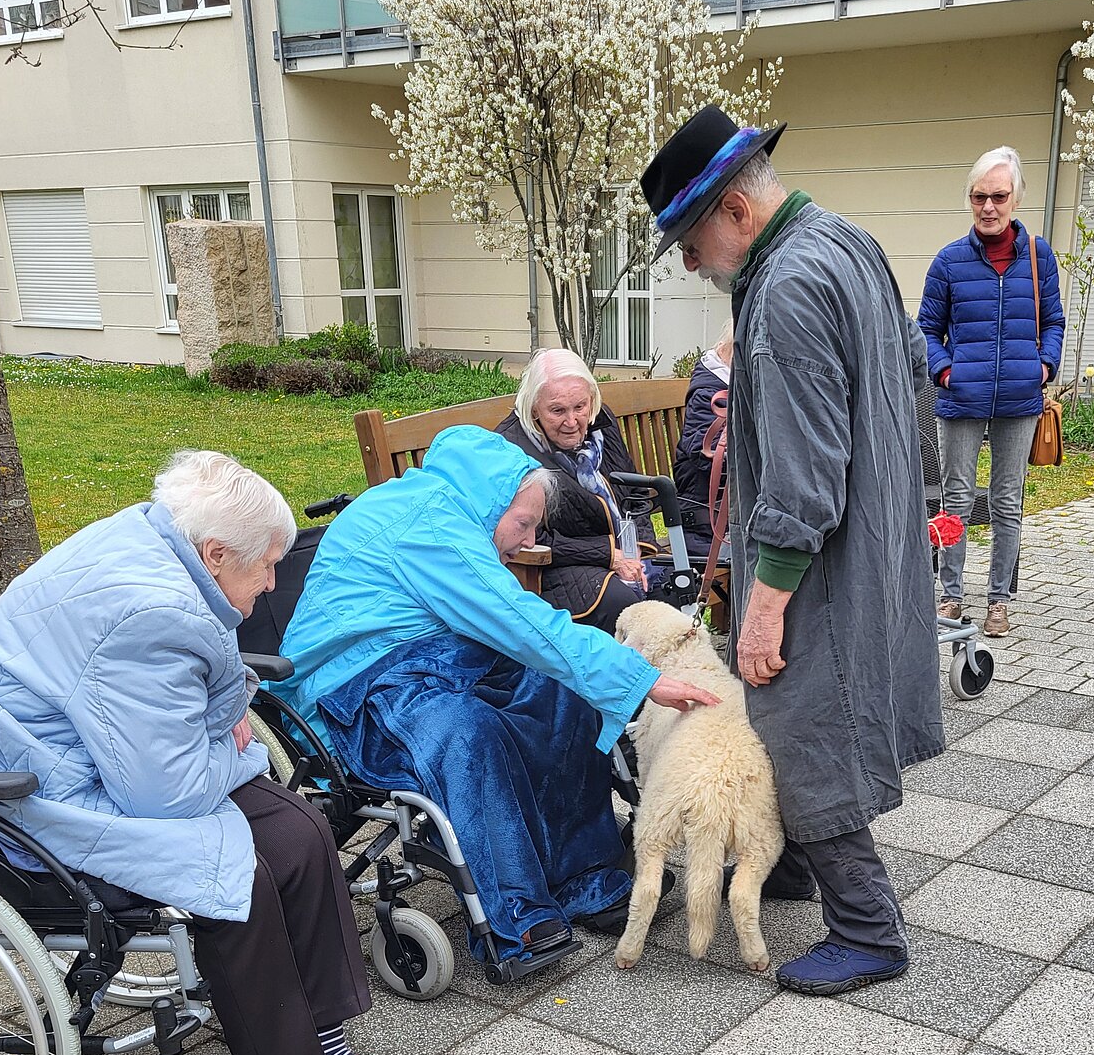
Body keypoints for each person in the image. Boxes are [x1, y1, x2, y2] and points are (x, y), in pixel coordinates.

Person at [0, 451, 418, 1055]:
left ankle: (327, 1047)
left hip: (90, 749)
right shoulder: (153, 613)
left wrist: (217, 717)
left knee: (298, 828)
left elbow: (169, 720)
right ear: (215, 553)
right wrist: (233, 737)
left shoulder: (162, 538)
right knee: (231, 871)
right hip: (32, 786)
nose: (274, 581)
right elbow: (170, 794)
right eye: (266, 566)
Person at [641, 106, 944, 997]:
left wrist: (765, 605)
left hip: (825, 552)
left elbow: (807, 479)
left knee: (801, 712)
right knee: (816, 710)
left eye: (688, 240)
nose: (688, 263)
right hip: (876, 529)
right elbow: (906, 371)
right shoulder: (843, 240)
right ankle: (794, 865)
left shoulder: (786, 289)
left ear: (736, 211)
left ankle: (867, 927)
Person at [272, 425, 716, 964]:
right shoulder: (427, 525)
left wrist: (609, 680)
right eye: (524, 523)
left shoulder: (449, 513)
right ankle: (517, 917)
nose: (528, 541)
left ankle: (585, 877)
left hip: (433, 660)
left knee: (562, 695)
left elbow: (520, 634)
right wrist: (641, 678)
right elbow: (520, 621)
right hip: (352, 694)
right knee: (468, 733)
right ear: (492, 501)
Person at [918, 145, 1065, 637]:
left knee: (1007, 501)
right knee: (955, 500)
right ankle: (952, 594)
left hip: (1020, 401)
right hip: (961, 401)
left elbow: (1055, 322)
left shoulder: (1039, 257)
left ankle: (999, 599)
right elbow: (925, 331)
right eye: (979, 196)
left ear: (1015, 198)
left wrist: (1043, 366)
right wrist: (945, 373)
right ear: (970, 199)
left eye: (998, 196)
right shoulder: (949, 261)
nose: (988, 207)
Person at [494, 348, 657, 632]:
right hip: (549, 566)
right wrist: (609, 555)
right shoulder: (513, 448)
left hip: (614, 552)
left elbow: (633, 493)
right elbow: (529, 536)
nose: (571, 422)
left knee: (668, 582)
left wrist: (638, 549)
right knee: (624, 603)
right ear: (534, 408)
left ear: (591, 401)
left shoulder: (600, 422)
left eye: (579, 407)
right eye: (557, 410)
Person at [673, 319, 733, 560]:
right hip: (705, 521)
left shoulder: (723, 383)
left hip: (724, 514)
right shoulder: (709, 394)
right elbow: (707, 456)